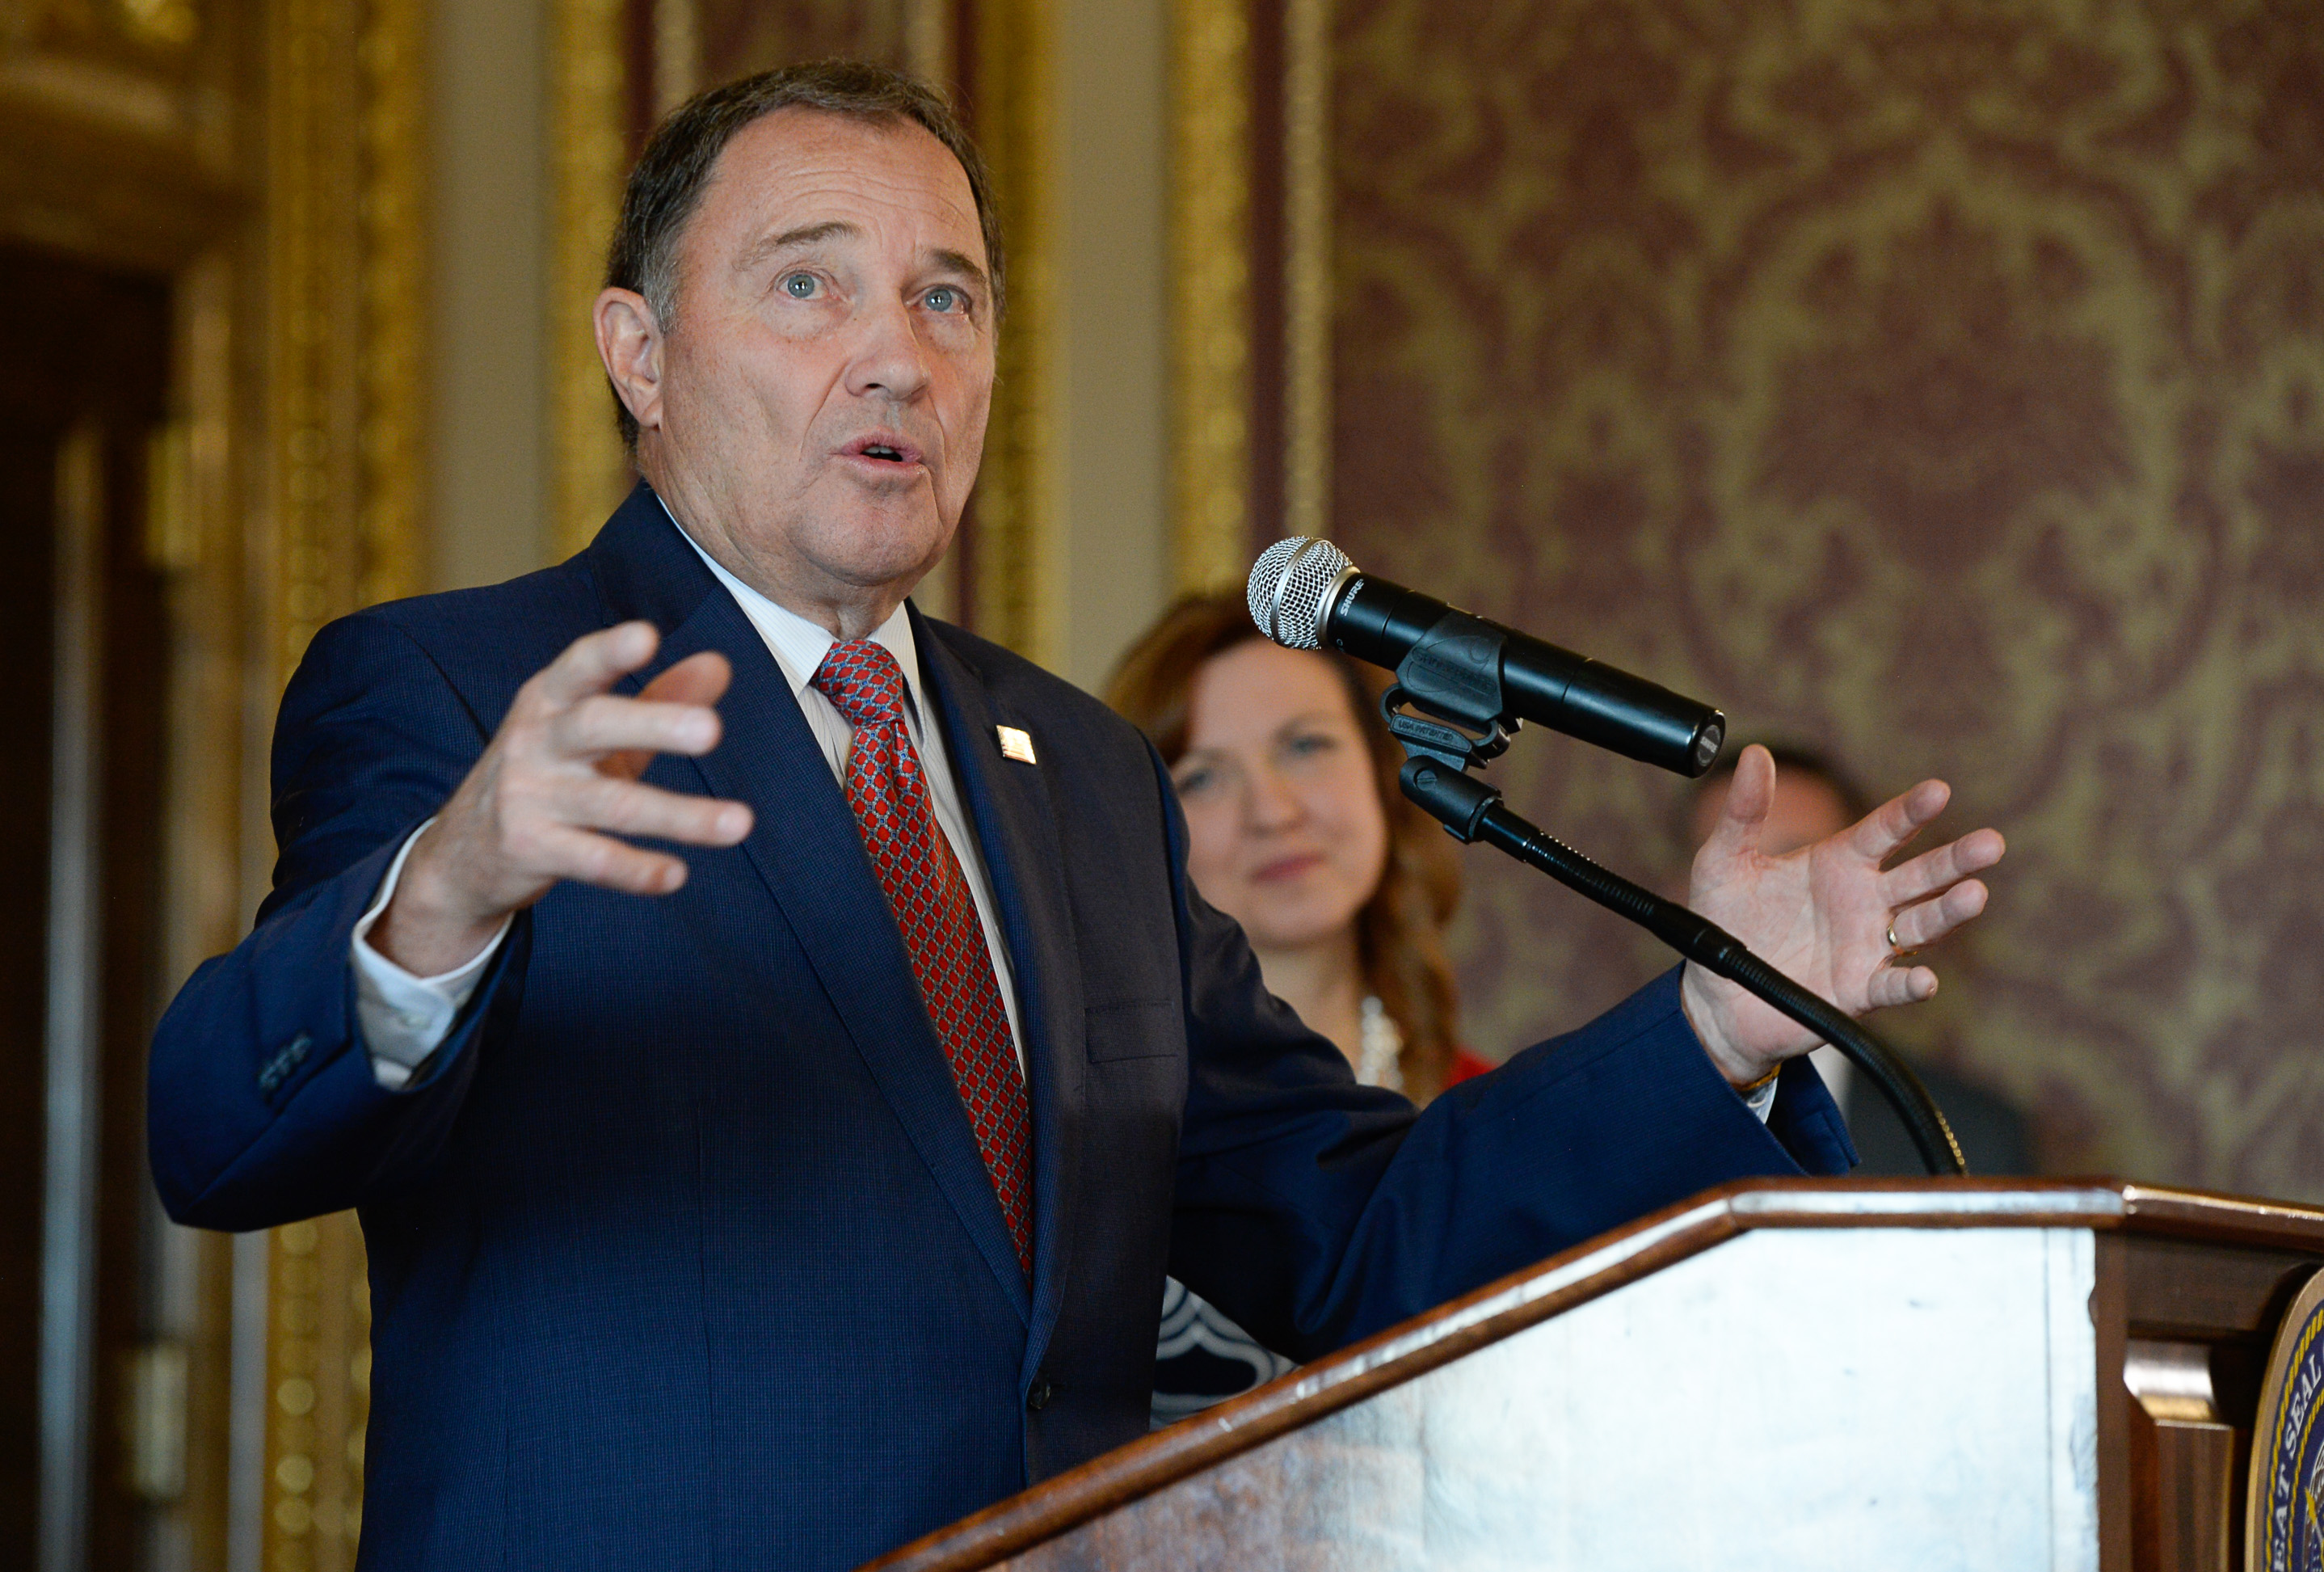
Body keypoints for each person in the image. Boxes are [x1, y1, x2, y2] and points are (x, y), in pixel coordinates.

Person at [145, 61, 2004, 1571]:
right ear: (639, 353)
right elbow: (220, 1137)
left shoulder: (1082, 777)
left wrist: (1714, 1020)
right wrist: (445, 893)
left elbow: (1350, 1235)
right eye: (807, 284)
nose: (898, 354)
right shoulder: (462, 691)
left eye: (946, 297)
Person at [1105, 592, 1487, 1419]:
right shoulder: (1096, 1146)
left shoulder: (1483, 1114)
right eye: (1202, 776)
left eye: (1306, 746)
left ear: (1385, 775)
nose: (1273, 811)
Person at [1688, 744, 2031, 1174]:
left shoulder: (1976, 1133)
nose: (1760, 905)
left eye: (1795, 864)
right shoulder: (1613, 1112)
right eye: (1729, 871)